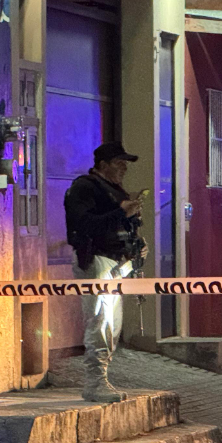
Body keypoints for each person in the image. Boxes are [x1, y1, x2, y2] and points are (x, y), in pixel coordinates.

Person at [64, 142, 146, 403]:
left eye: (125, 163)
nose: (124, 167)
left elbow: (121, 226)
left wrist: (137, 244)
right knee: (100, 322)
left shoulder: (115, 190)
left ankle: (103, 379)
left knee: (112, 325)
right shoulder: (85, 187)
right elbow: (83, 224)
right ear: (102, 165)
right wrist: (120, 212)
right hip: (97, 260)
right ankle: (95, 382)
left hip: (117, 263)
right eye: (118, 162)